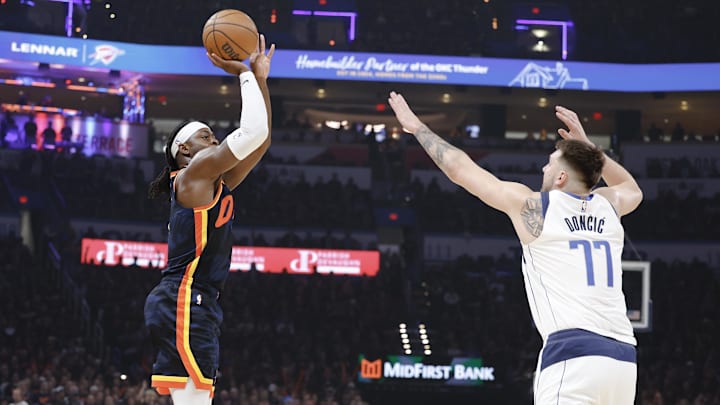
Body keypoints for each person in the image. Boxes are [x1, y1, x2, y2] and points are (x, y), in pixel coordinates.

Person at [388, 92, 643, 404]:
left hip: (573, 353)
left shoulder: (536, 207)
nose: (543, 170)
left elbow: (460, 169)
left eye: (550, 165)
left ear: (562, 177)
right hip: (622, 358)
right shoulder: (608, 205)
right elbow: (633, 189)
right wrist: (591, 149)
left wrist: (416, 128)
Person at [144, 34, 274, 405]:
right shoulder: (193, 174)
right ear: (184, 150)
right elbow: (251, 133)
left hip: (195, 300)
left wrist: (260, 79)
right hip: (185, 298)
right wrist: (242, 74)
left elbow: (261, 142)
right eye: (206, 135)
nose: (214, 139)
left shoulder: (211, 180)